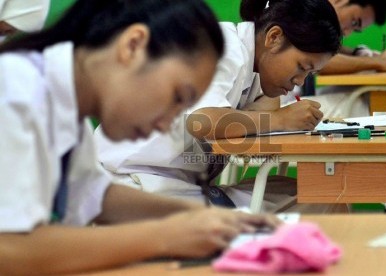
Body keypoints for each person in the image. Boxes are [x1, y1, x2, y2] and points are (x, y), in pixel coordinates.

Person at [0, 0, 280, 274]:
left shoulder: (64, 103)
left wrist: (204, 216)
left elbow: (93, 195)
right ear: (133, 45)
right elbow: (9, 249)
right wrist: (165, 235)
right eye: (177, 97)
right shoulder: (17, 94)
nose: (166, 124)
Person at [95, 0, 343, 213]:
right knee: (318, 199)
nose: (300, 81)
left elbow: (266, 102)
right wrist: (280, 120)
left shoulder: (257, 64)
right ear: (274, 37)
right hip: (133, 188)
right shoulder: (223, 48)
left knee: (320, 192)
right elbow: (203, 121)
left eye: (309, 74)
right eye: (301, 67)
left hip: (177, 186)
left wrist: (268, 109)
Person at [294, 0, 386, 119]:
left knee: (363, 93)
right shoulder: (304, 10)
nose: (347, 33)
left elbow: (323, 49)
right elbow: (319, 60)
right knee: (368, 104)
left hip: (292, 98)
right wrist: (377, 62)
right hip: (281, 109)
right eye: (354, 22)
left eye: (355, 29)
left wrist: (356, 52)